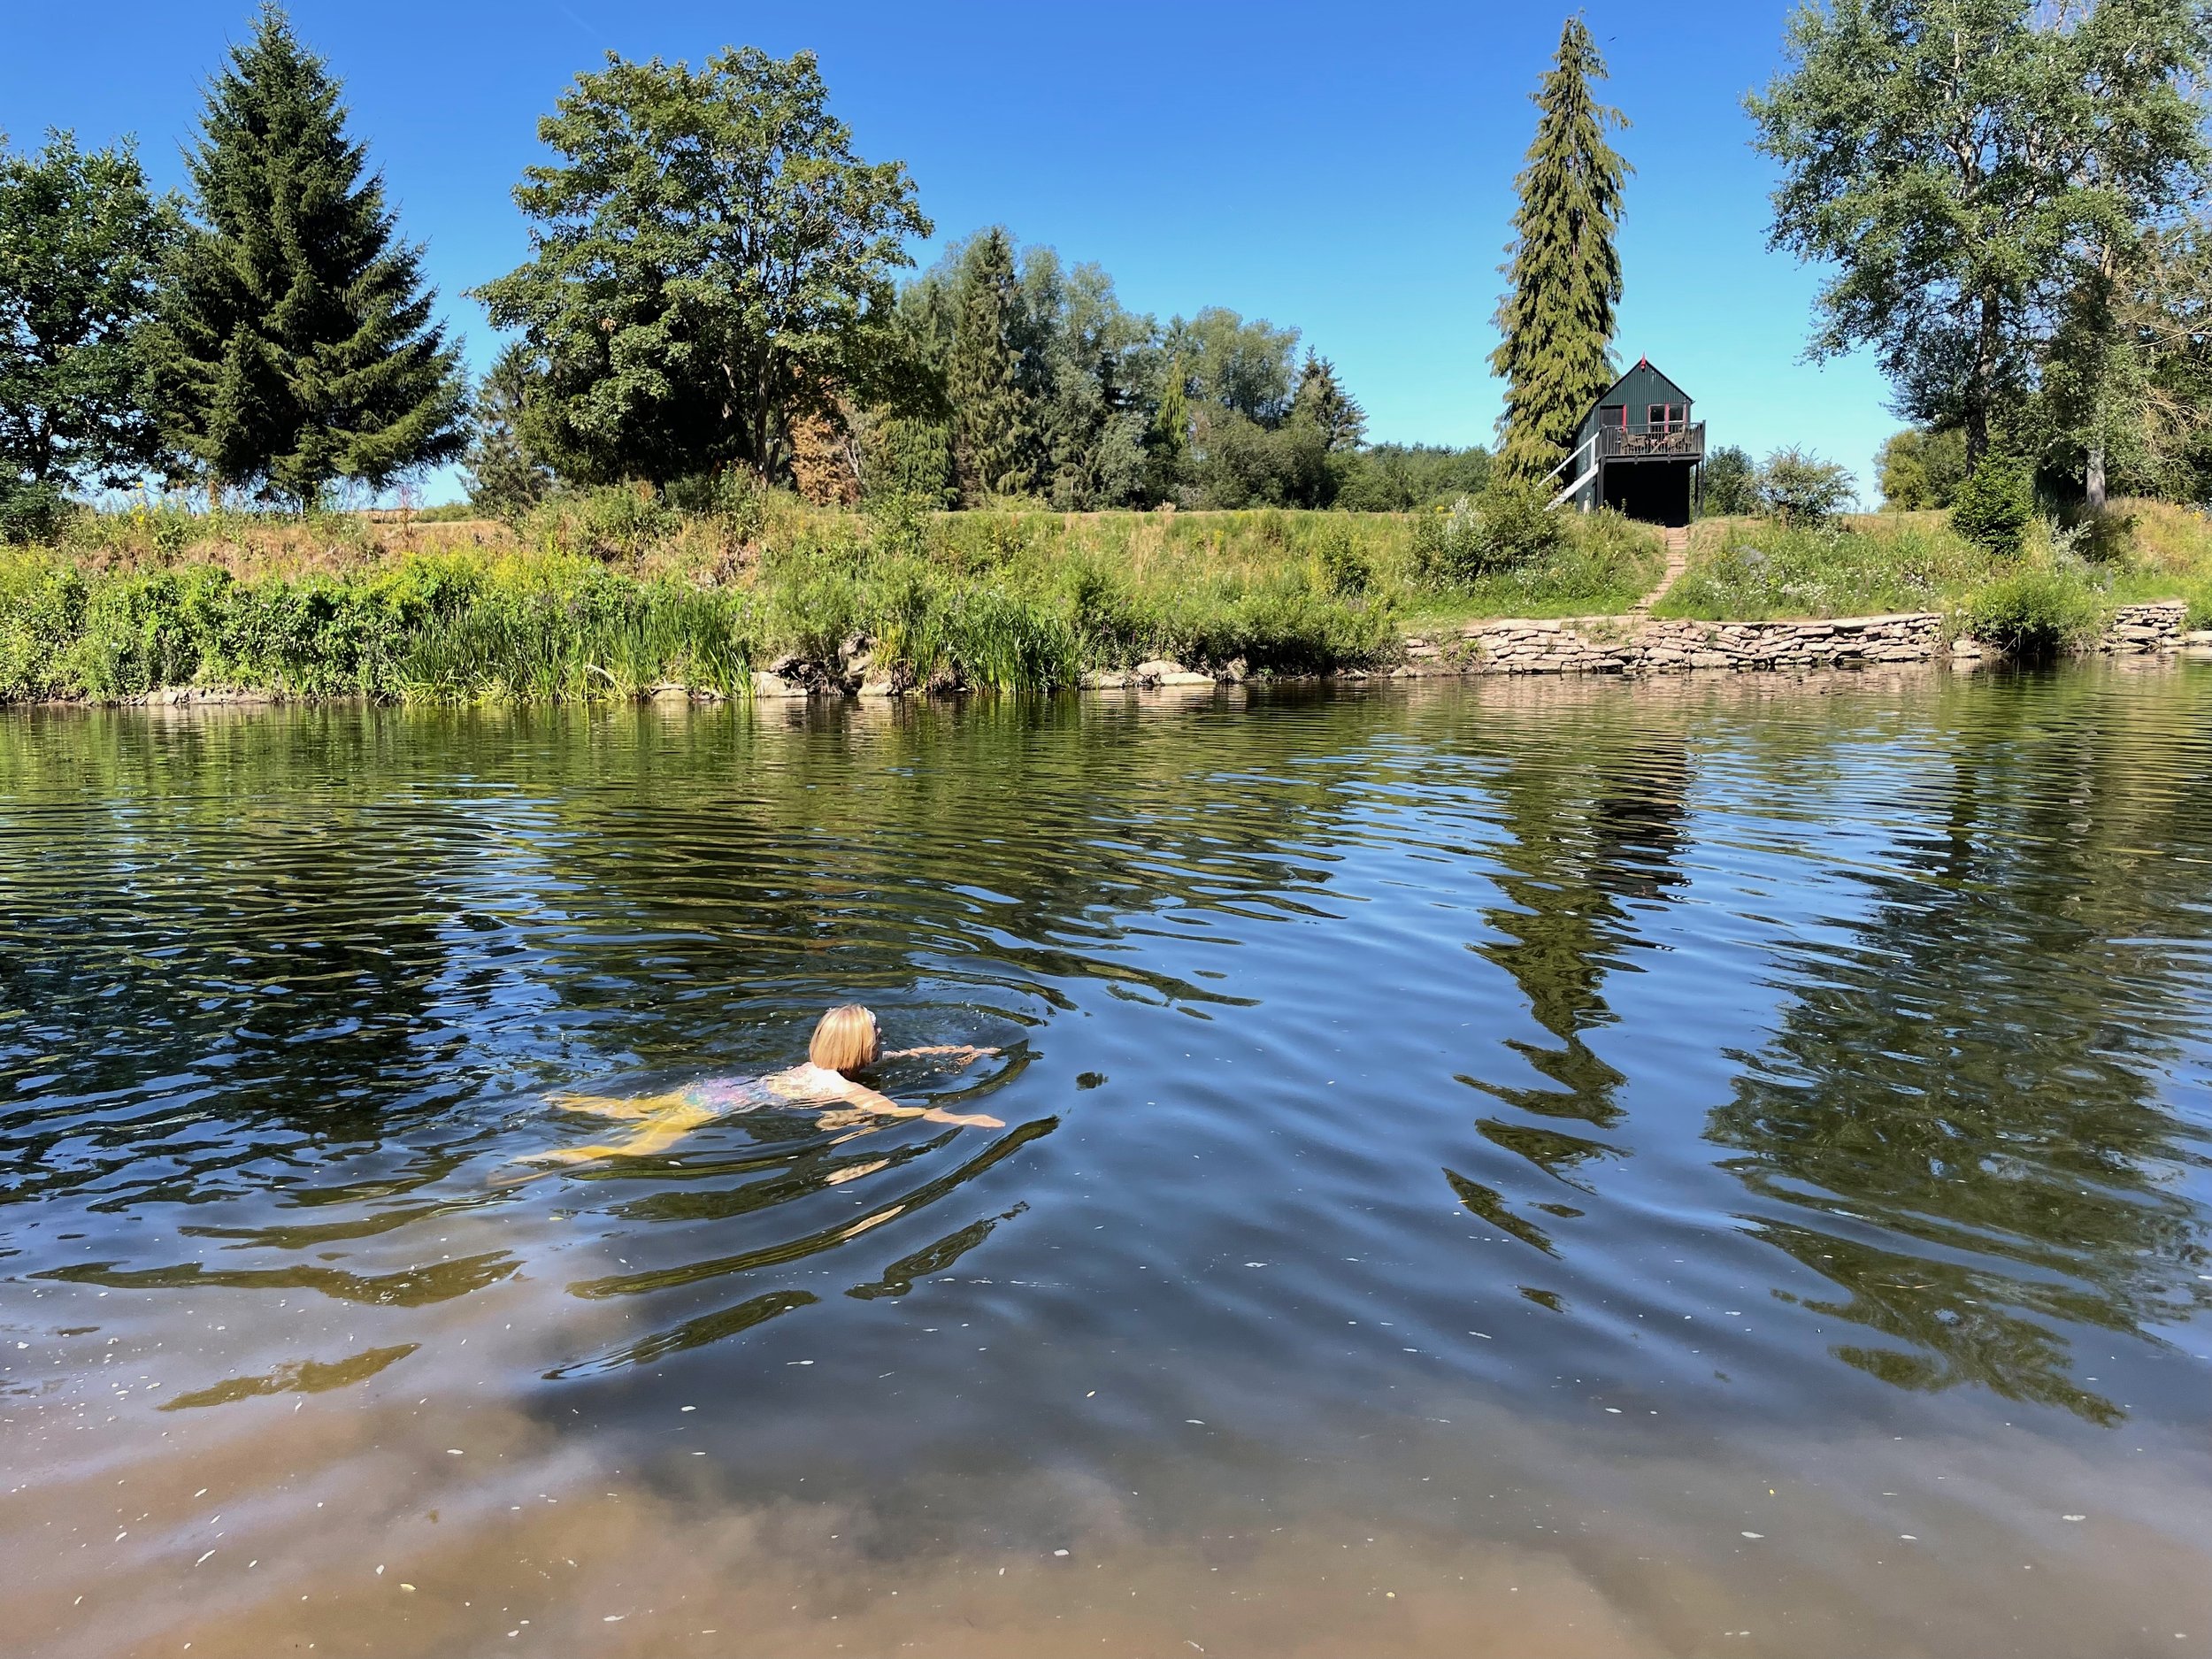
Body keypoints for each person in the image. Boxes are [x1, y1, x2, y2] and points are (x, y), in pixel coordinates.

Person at [510, 1005, 1002, 1174]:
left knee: (625, 1109)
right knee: (644, 1144)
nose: (886, 1041)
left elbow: (897, 1058)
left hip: (720, 1088)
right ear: (858, 1048)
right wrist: (963, 1119)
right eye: (878, 1035)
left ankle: (555, 1098)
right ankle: (548, 1161)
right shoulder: (845, 1088)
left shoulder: (819, 1063)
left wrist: (963, 1050)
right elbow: (896, 1113)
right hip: (721, 1105)